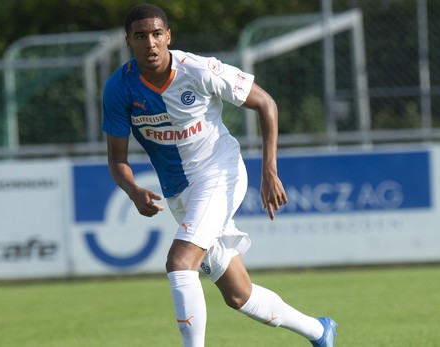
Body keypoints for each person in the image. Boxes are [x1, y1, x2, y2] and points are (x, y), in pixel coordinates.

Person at [102, 3, 337, 346]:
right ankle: (320, 331)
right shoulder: (118, 88)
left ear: (168, 36)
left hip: (219, 173)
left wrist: (269, 171)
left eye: (156, 34)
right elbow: (116, 159)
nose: (150, 43)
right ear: (129, 42)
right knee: (238, 295)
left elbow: (266, 103)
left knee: (180, 262)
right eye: (141, 36)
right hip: (179, 193)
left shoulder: (199, 70)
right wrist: (133, 189)